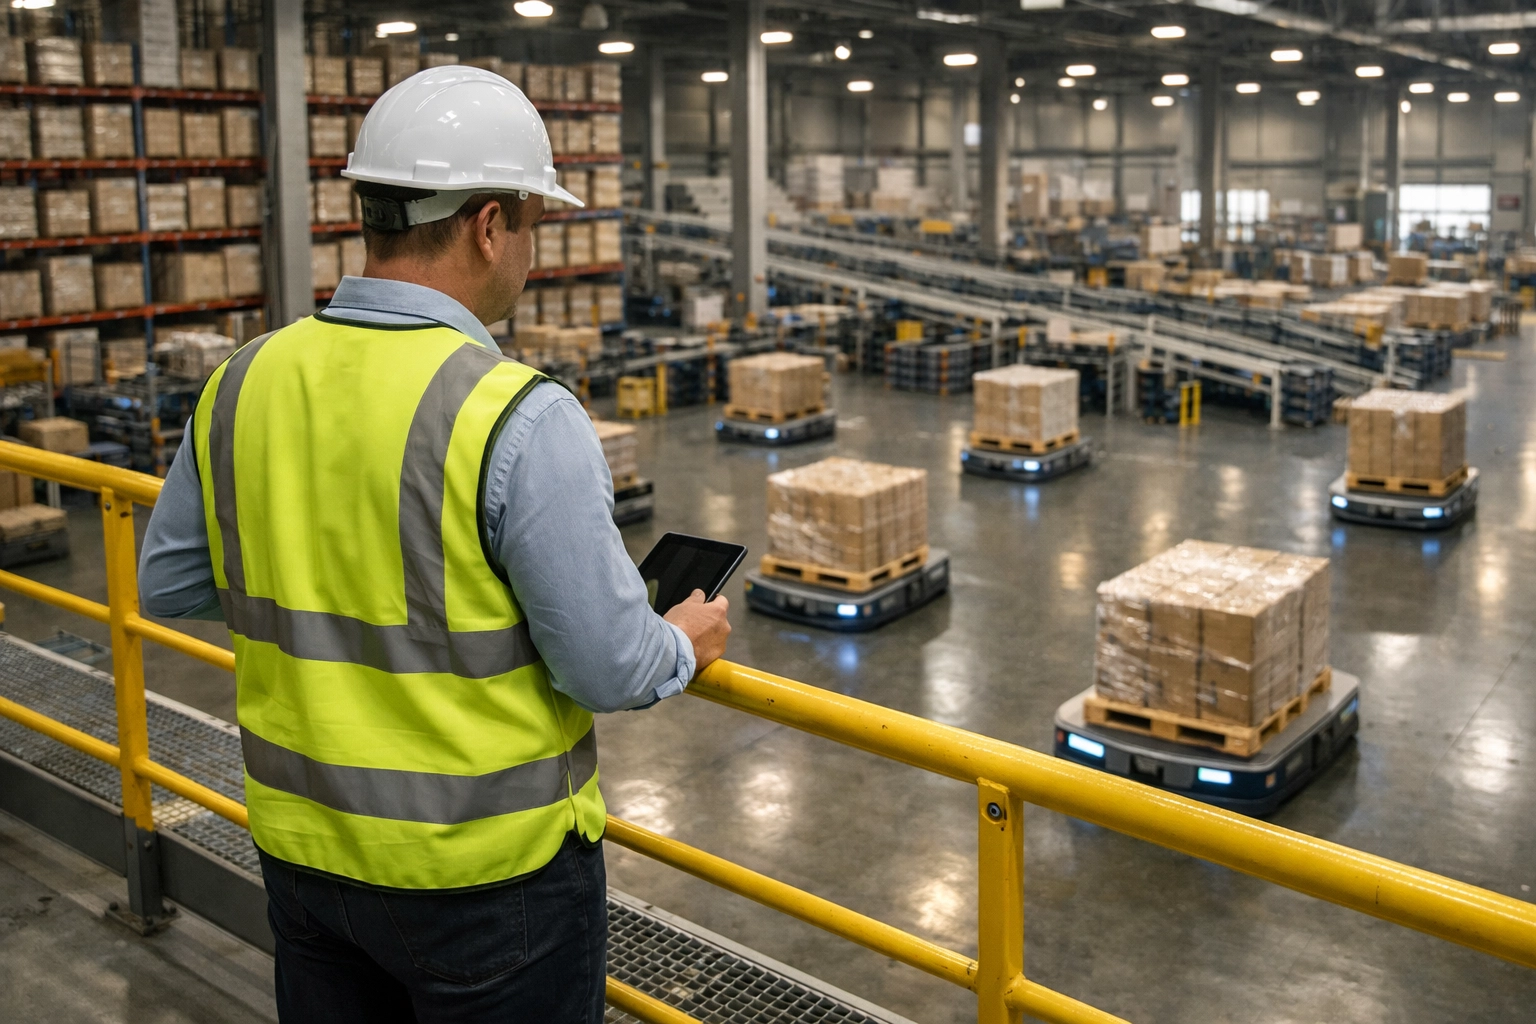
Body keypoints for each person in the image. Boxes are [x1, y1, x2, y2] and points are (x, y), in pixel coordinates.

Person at [138, 65, 731, 1023]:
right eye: (533, 226)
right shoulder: (514, 415)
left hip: (304, 859)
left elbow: (169, 584)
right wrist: (682, 642)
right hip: (489, 885)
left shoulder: (245, 378)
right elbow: (608, 666)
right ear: (489, 222)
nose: (530, 254)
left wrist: (315, 573)